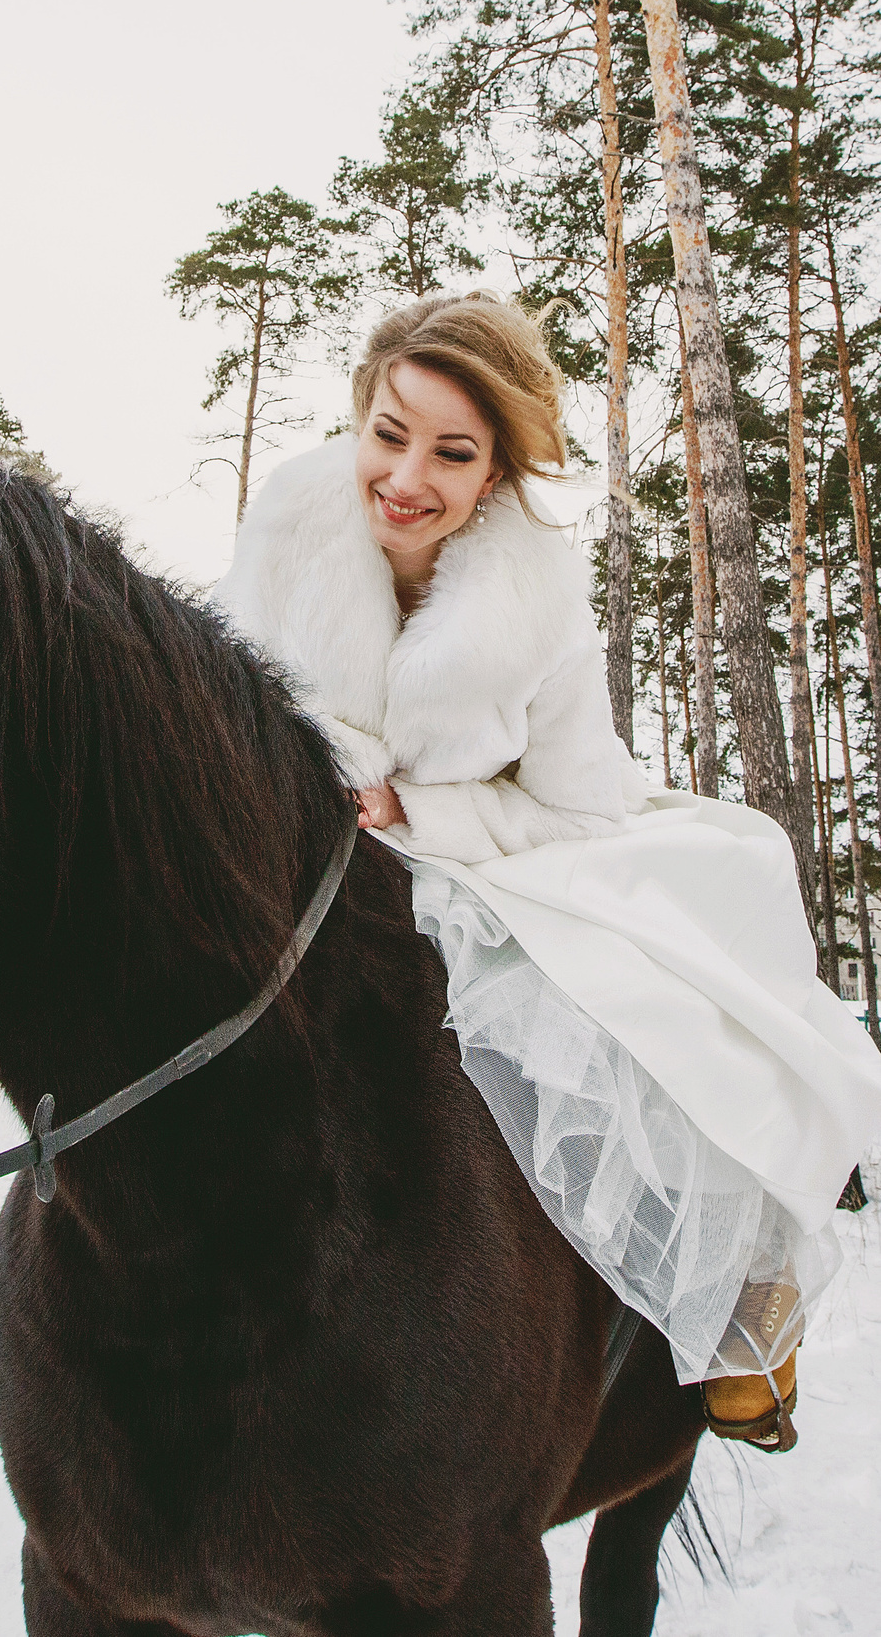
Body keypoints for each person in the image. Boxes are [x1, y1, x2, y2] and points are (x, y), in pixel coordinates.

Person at [216, 291, 881, 1452]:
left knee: (640, 1030)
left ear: (494, 473)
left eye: (450, 452)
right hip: (304, 852)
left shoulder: (539, 605)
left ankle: (742, 1298)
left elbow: (571, 808)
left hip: (501, 857)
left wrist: (416, 809)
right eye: (388, 433)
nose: (405, 478)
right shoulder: (286, 532)